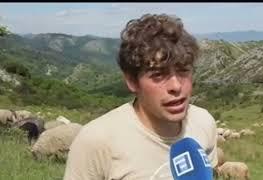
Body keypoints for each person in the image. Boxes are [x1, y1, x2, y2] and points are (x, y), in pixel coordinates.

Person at [63, 13, 218, 180]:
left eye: (183, 70)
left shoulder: (204, 122)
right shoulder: (96, 141)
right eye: (158, 75)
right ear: (132, 81)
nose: (176, 86)